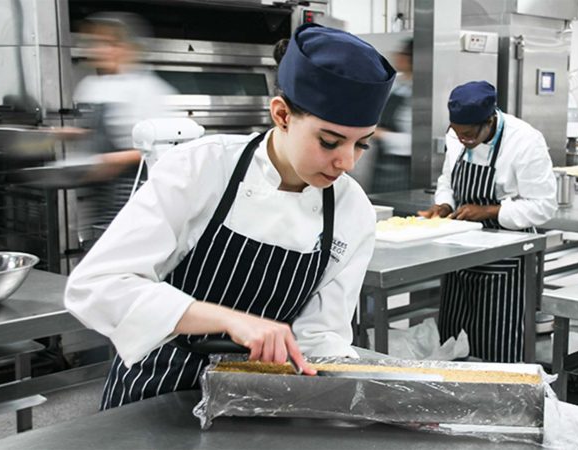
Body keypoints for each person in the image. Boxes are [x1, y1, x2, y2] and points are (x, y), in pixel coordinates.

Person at [64, 23, 396, 409]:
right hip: (155, 394)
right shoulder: (201, 168)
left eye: (362, 144)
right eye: (329, 141)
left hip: (260, 401)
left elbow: (321, 336)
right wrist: (228, 319)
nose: (347, 162)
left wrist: (370, 400)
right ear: (282, 114)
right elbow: (96, 286)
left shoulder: (351, 210)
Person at [419, 81, 557, 363]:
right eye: (457, 134)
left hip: (506, 259)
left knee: (498, 344)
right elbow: (447, 179)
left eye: (469, 135)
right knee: (453, 340)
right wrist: (445, 202)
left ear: (490, 120)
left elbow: (544, 207)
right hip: (460, 253)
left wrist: (491, 211)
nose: (463, 141)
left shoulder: (525, 141)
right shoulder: (458, 136)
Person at [72, 12, 177, 245]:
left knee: (124, 253)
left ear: (129, 47)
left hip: (132, 193)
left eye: (109, 44)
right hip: (98, 195)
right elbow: (91, 132)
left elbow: (165, 148)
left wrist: (112, 161)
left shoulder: (148, 89)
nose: (99, 50)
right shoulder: (90, 85)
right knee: (97, 250)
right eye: (94, 43)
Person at [370, 38, 412, 193]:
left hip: (402, 170)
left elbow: (415, 143)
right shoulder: (397, 85)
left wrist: (380, 134)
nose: (398, 57)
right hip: (381, 164)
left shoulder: (418, 95)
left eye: (403, 54)